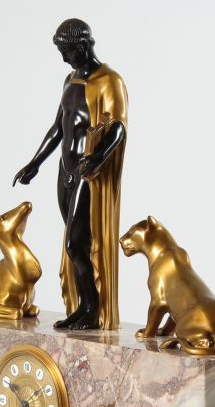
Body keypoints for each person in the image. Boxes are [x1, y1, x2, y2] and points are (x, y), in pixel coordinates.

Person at [13, 18, 128, 330]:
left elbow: (117, 127)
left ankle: (92, 308)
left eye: (68, 52)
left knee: (75, 244)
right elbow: (58, 127)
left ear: (84, 45)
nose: (64, 59)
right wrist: (35, 162)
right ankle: (82, 307)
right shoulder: (70, 80)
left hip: (88, 172)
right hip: (65, 171)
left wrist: (99, 158)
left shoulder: (109, 81)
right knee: (75, 242)